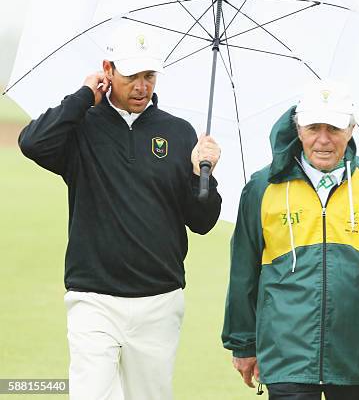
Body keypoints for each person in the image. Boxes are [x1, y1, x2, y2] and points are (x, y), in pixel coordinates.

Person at [18, 22, 222, 400]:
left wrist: (200, 174)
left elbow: (203, 222)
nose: (142, 86)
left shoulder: (178, 132)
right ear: (108, 70)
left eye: (149, 75)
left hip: (159, 299)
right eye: (131, 76)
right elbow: (32, 143)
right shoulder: (81, 126)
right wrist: (83, 96)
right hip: (93, 297)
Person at [221, 79, 359, 399]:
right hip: (286, 355)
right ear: (298, 128)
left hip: (358, 354)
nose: (323, 140)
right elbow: (243, 271)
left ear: (352, 129)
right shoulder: (263, 187)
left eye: (334, 128)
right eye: (314, 127)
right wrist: (242, 344)